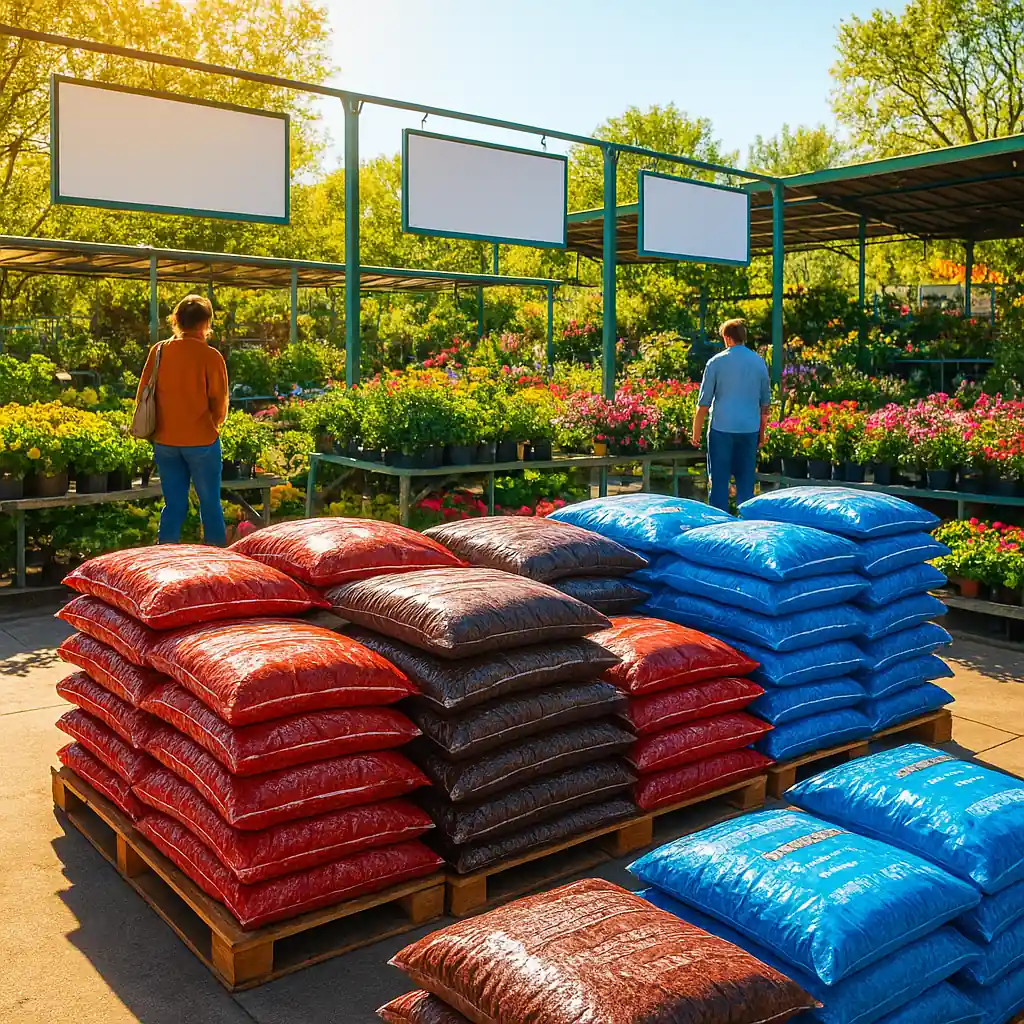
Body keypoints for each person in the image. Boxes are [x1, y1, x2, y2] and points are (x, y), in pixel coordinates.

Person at [136, 294, 229, 546]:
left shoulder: (159, 351)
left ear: (176, 320)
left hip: (165, 440)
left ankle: (166, 560)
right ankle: (218, 565)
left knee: (173, 505)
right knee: (210, 505)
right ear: (206, 322)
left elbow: (143, 393)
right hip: (201, 440)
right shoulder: (210, 357)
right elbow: (219, 405)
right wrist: (213, 425)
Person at [690, 318, 771, 513]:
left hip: (721, 429)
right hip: (749, 430)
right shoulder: (759, 363)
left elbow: (703, 404)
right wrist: (761, 434)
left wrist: (696, 433)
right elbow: (765, 407)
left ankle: (718, 525)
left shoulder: (716, 363)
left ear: (726, 338)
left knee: (718, 482)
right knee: (746, 483)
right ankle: (746, 525)